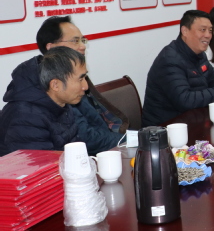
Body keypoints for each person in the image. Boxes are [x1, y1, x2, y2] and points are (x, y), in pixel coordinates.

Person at [5, 16, 128, 155]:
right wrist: (129, 140)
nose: (82, 46)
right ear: (52, 48)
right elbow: (43, 163)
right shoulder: (29, 115)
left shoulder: (62, 97)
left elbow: (76, 145)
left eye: (82, 40)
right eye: (75, 41)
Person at [142, 10, 214, 127]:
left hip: (192, 121)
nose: (208, 35)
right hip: (165, 128)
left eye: (210, 30)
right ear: (185, 31)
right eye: (202, 30)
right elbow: (185, 100)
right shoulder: (169, 59)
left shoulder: (199, 54)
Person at [0, 47, 87, 156]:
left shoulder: (60, 103)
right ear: (55, 85)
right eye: (80, 79)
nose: (85, 86)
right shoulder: (27, 117)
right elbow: (39, 163)